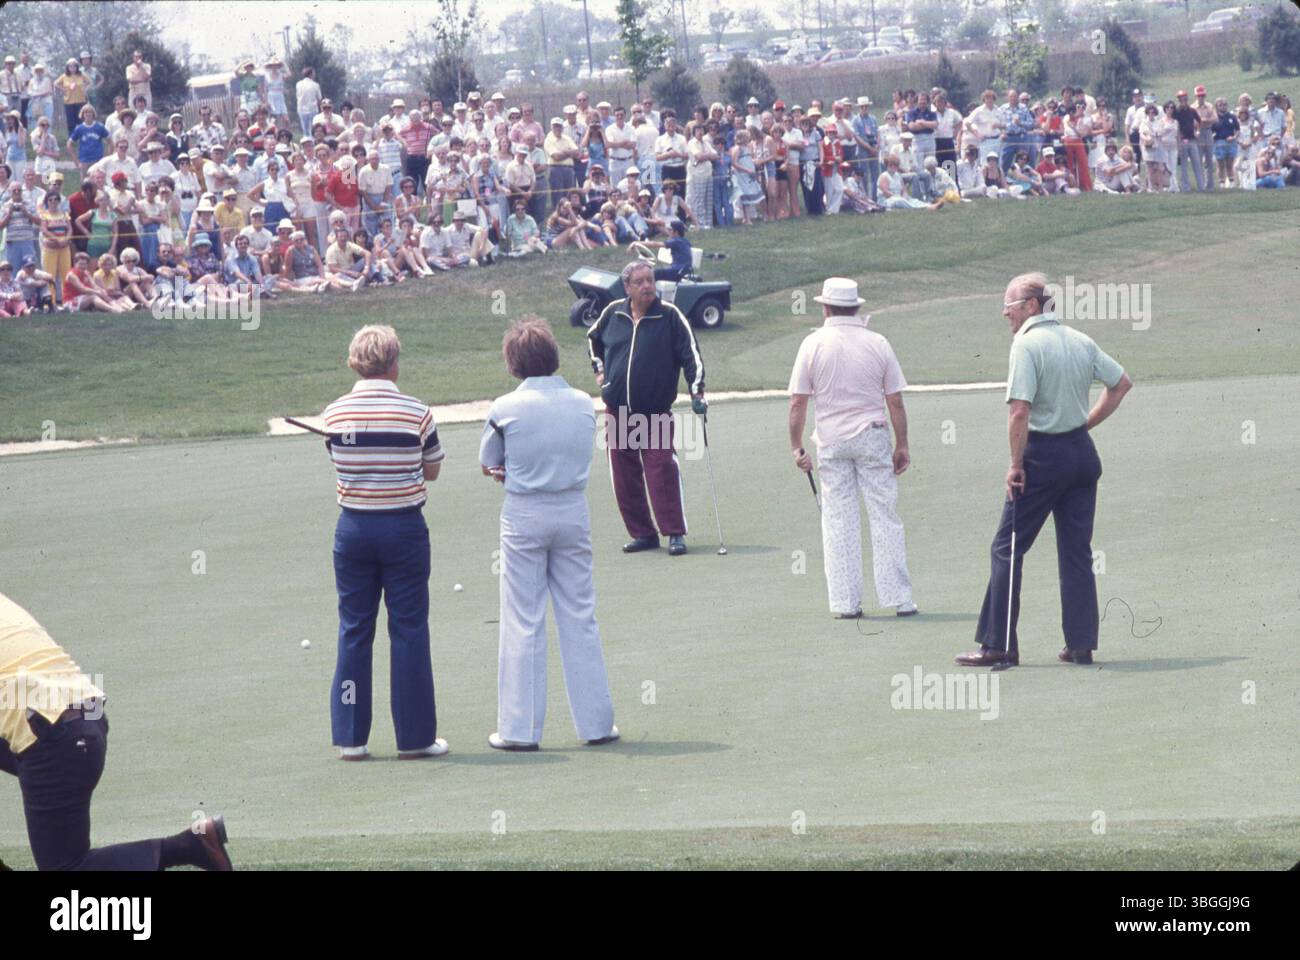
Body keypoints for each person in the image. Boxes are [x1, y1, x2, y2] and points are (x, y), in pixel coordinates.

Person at [956, 273, 1132, 668]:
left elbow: (1020, 410)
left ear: (1032, 305)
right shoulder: (1079, 340)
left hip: (1042, 458)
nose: (1006, 314)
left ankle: (999, 645)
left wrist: (1016, 464)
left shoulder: (1026, 345)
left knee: (1008, 548)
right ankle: (1081, 644)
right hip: (1080, 454)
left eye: (1011, 307)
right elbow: (1121, 383)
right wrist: (1084, 424)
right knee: (1076, 552)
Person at [0, 590, 234, 870]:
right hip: (84, 721)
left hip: (52, 735)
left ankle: (189, 847)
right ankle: (196, 845)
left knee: (66, 869)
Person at [477, 316, 619, 751]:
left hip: (524, 514)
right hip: (572, 511)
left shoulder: (504, 408)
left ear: (514, 364)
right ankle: (596, 725)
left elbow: (490, 461)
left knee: (523, 619)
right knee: (580, 616)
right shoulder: (582, 401)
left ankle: (520, 731)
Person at [320, 326, 449, 761]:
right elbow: (431, 470)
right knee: (409, 629)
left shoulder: (334, 413)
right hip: (403, 529)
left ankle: (351, 739)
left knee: (355, 630)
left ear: (355, 362)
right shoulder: (416, 411)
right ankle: (415, 739)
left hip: (354, 530)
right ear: (393, 363)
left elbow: (336, 462)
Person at [787, 277, 917, 619]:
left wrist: (796, 446)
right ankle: (900, 598)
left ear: (826, 307)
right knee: (884, 514)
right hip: (872, 435)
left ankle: (845, 603)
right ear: (857, 306)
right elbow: (895, 401)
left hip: (831, 440)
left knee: (838, 520)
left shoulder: (812, 343)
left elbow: (798, 403)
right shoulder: (878, 342)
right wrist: (902, 444)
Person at [585, 259, 705, 556]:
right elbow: (593, 339)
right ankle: (643, 534)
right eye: (639, 282)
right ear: (627, 287)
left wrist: (696, 391)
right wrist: (600, 373)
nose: (647, 286)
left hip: (655, 412)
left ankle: (674, 533)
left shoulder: (669, 316)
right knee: (624, 476)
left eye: (650, 280)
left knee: (662, 468)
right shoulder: (613, 313)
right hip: (618, 409)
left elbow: (691, 355)